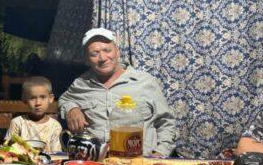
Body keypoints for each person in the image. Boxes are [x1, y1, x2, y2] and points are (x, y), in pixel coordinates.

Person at [59, 28, 176, 156]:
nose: (102, 58)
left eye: (107, 50)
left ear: (117, 52)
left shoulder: (145, 82)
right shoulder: (80, 84)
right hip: (95, 163)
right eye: (94, 53)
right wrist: (72, 109)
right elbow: (65, 100)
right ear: (87, 59)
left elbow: (166, 122)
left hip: (138, 162)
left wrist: (160, 152)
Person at [4, 76, 62, 152]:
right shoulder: (17, 123)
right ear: (25, 100)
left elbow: (56, 154)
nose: (38, 103)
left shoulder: (55, 126)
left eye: (43, 97)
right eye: (32, 98)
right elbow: (6, 149)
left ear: (50, 98)